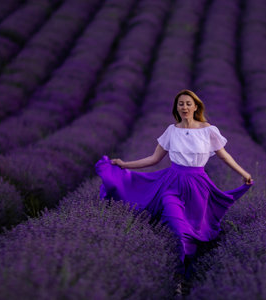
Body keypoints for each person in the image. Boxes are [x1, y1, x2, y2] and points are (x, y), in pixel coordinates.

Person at [95, 89, 253, 296]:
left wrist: (244, 173)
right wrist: (125, 164)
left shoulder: (209, 130)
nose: (184, 107)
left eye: (188, 103)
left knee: (192, 232)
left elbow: (225, 156)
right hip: (171, 185)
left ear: (196, 106)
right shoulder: (171, 131)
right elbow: (153, 159)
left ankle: (188, 276)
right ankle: (178, 278)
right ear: (176, 108)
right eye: (181, 104)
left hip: (198, 186)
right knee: (178, 231)